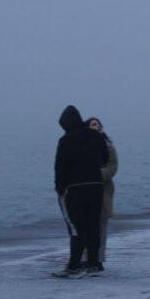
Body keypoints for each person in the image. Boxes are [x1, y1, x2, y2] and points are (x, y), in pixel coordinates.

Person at [52, 105, 108, 278]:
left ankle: (74, 266)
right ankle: (93, 264)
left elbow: (60, 167)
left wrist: (60, 188)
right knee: (93, 225)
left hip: (75, 189)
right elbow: (104, 159)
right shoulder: (95, 136)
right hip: (96, 186)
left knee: (76, 227)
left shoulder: (65, 140)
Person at [82, 117, 117, 271]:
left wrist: (95, 174)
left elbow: (113, 168)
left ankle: (98, 259)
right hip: (85, 191)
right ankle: (85, 258)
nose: (98, 127)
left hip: (103, 190)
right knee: (85, 226)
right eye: (93, 124)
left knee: (101, 225)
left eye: (99, 124)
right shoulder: (81, 146)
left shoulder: (109, 147)